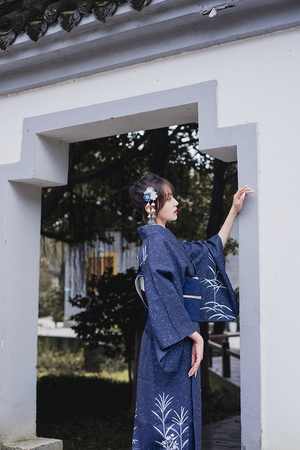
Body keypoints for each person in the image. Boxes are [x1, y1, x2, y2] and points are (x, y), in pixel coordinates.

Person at [131, 173, 253, 450]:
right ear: (153, 204)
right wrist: (193, 335)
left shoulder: (164, 242)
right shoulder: (158, 243)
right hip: (172, 339)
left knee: (171, 417)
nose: (176, 202)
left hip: (171, 336)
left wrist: (233, 210)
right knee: (171, 417)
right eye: (169, 197)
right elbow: (163, 295)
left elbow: (209, 251)